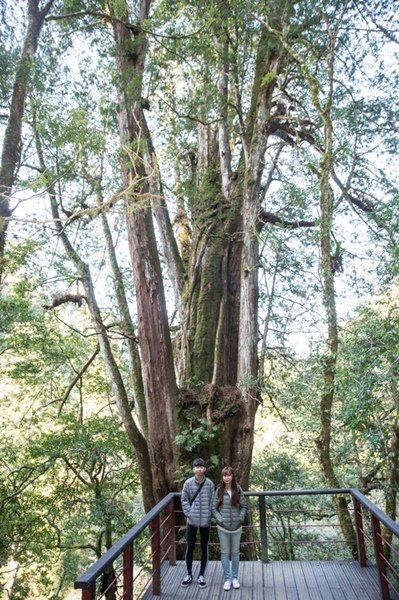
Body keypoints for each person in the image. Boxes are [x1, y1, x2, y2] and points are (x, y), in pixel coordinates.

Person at [180, 457, 214, 589]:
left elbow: (212, 501)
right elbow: (184, 500)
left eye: (201, 466)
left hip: (205, 521)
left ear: (204, 469)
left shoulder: (210, 484)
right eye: (197, 467)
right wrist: (189, 513)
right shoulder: (188, 483)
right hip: (192, 522)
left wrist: (209, 515)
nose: (199, 469)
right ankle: (188, 574)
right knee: (190, 547)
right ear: (193, 469)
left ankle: (201, 575)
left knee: (204, 548)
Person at [212, 466, 247, 591]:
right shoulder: (218, 491)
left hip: (237, 528)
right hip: (223, 528)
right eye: (225, 475)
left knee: (236, 553)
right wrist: (220, 519)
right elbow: (213, 508)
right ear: (222, 477)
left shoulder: (238, 489)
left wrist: (240, 518)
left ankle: (235, 578)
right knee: (225, 554)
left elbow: (244, 506)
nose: (227, 477)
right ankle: (227, 579)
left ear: (232, 476)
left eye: (229, 475)